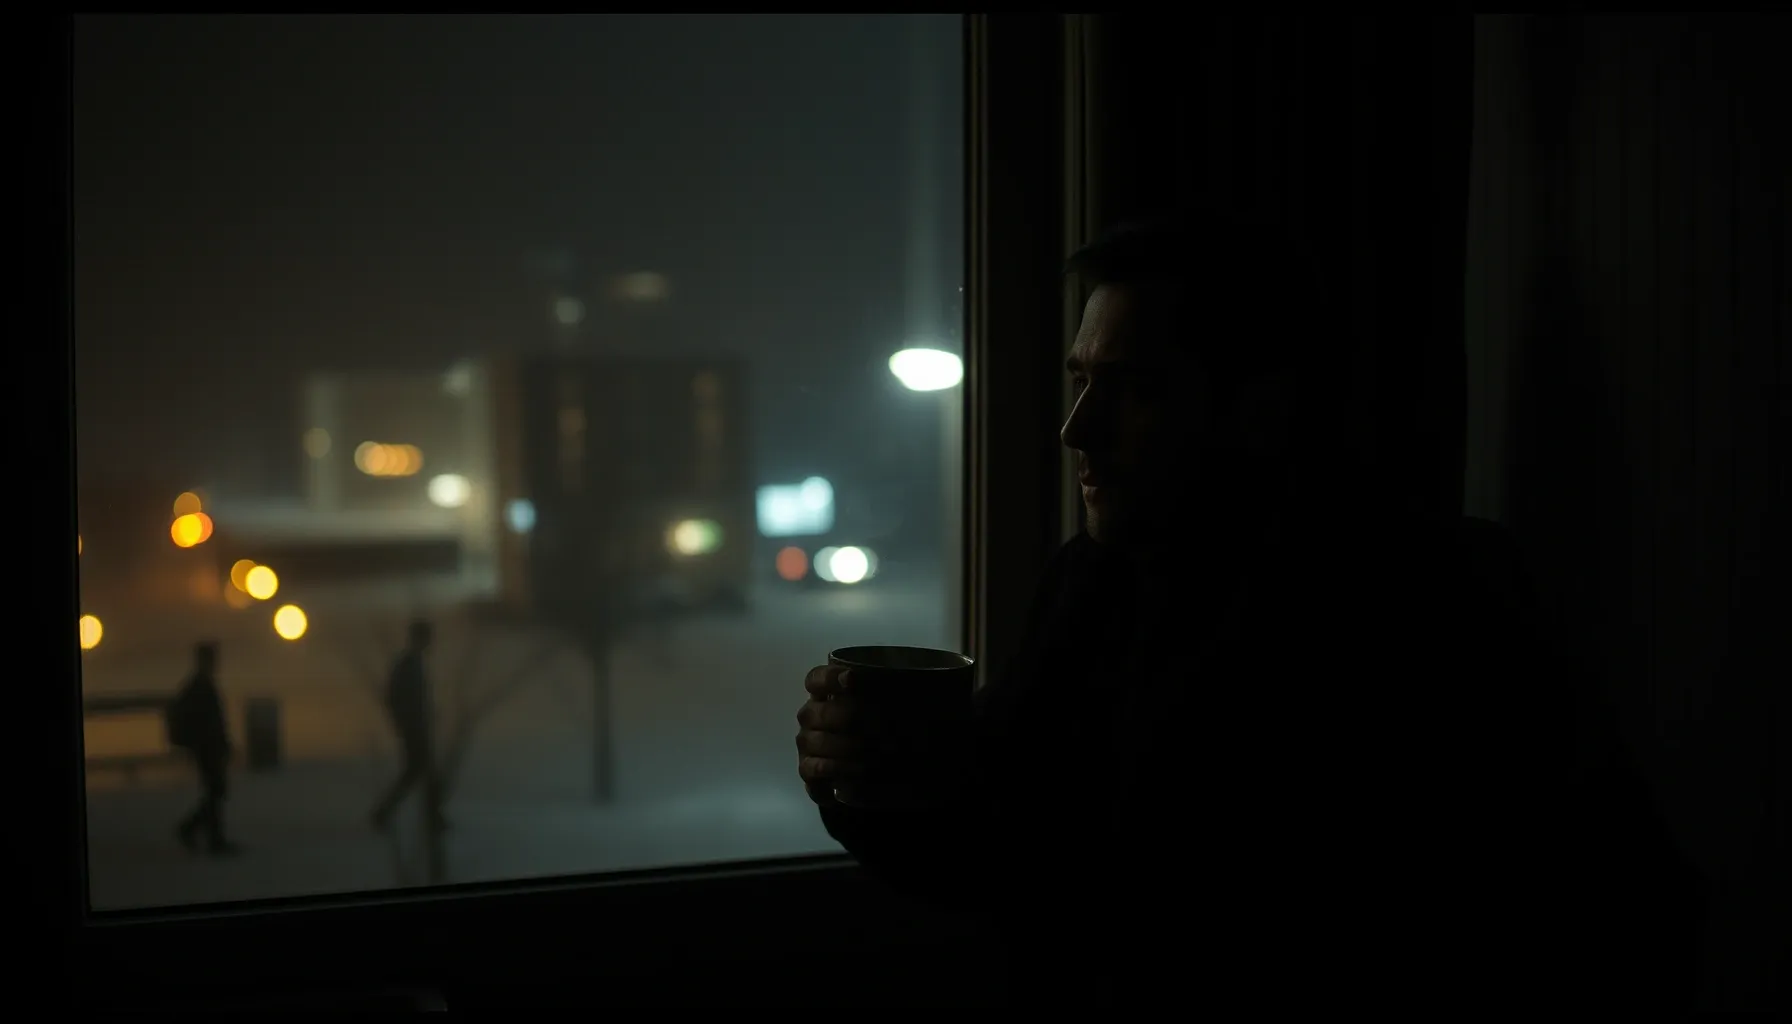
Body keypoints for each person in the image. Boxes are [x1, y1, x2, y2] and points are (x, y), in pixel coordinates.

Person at [795, 214, 1701, 1008]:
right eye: (1081, 380)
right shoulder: (1094, 582)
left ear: (1262, 406)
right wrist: (866, 783)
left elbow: (1589, 910)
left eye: (1134, 389)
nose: (1078, 429)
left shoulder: (1430, 602)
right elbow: (1004, 851)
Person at [371, 620, 446, 833]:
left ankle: (386, 812)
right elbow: (396, 696)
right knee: (423, 774)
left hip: (416, 726)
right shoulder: (409, 664)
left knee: (416, 773)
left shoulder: (413, 663)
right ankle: (429, 817)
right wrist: (407, 721)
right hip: (414, 728)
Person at [169, 641, 239, 856]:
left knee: (215, 791)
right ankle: (199, 833)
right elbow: (211, 722)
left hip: (207, 746)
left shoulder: (199, 685)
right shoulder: (201, 687)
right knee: (215, 791)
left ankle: (204, 834)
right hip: (206, 747)